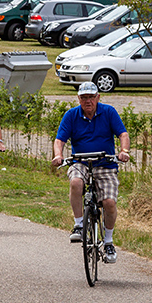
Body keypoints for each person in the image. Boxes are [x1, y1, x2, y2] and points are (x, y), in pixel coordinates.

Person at [50, 82, 131, 264]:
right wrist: (58, 155)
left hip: (105, 163)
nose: (88, 101)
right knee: (76, 182)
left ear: (98, 98)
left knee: (109, 202)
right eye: (84, 98)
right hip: (81, 161)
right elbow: (60, 140)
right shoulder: (71, 115)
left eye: (91, 97)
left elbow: (123, 134)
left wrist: (124, 151)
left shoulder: (108, 112)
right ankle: (79, 225)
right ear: (79, 99)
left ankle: (108, 241)